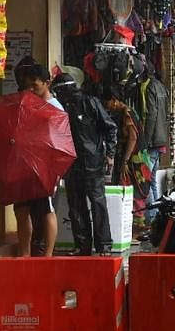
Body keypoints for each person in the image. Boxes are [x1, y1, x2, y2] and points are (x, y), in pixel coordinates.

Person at [52, 74, 117, 256]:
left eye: (58, 91)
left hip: (92, 162)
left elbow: (110, 127)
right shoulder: (61, 107)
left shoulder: (90, 103)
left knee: (97, 204)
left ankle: (103, 245)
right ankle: (83, 246)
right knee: (76, 205)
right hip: (73, 163)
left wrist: (109, 154)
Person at [15, 64, 64, 258]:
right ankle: (24, 252)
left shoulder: (55, 108)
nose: (31, 88)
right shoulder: (28, 103)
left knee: (46, 209)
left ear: (47, 83)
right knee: (22, 209)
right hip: (25, 164)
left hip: (45, 166)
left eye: (34, 84)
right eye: (28, 85)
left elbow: (59, 140)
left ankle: (48, 255)